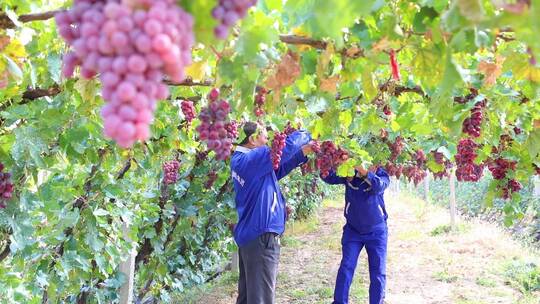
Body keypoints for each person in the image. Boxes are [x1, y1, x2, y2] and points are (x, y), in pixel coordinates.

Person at [230, 122, 313, 304]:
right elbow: (286, 146)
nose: (268, 139)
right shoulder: (251, 160)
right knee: (261, 300)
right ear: (252, 139)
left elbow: (278, 169)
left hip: (251, 236)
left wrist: (304, 152)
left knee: (248, 298)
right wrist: (307, 132)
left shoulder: (242, 161)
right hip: (261, 238)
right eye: (264, 136)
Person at [321, 165, 390, 304]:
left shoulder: (381, 172)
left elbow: (379, 186)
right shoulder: (348, 171)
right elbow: (327, 176)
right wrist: (327, 161)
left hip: (376, 232)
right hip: (353, 231)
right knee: (346, 267)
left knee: (378, 271)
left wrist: (365, 172)